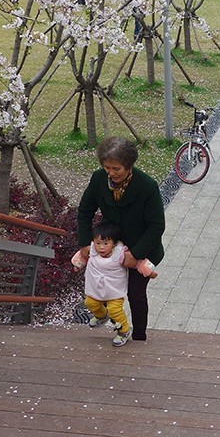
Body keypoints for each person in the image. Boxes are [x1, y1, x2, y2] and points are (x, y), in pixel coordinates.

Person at [77, 137, 165, 342]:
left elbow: (157, 226)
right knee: (103, 291)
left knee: (135, 294)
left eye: (116, 169)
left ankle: (139, 336)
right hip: (111, 245)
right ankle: (111, 321)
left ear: (129, 165)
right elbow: (85, 211)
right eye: (107, 167)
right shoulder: (99, 179)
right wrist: (84, 243)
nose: (111, 173)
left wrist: (135, 255)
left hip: (142, 247)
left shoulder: (147, 186)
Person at [77, 222, 133, 347]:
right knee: (90, 303)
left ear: (114, 243)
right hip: (96, 289)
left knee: (114, 310)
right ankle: (101, 315)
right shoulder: (92, 249)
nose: (101, 247)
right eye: (98, 243)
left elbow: (136, 262)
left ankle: (123, 330)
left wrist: (148, 270)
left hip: (114, 290)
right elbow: (81, 256)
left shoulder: (120, 253)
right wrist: (77, 264)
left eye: (106, 244)